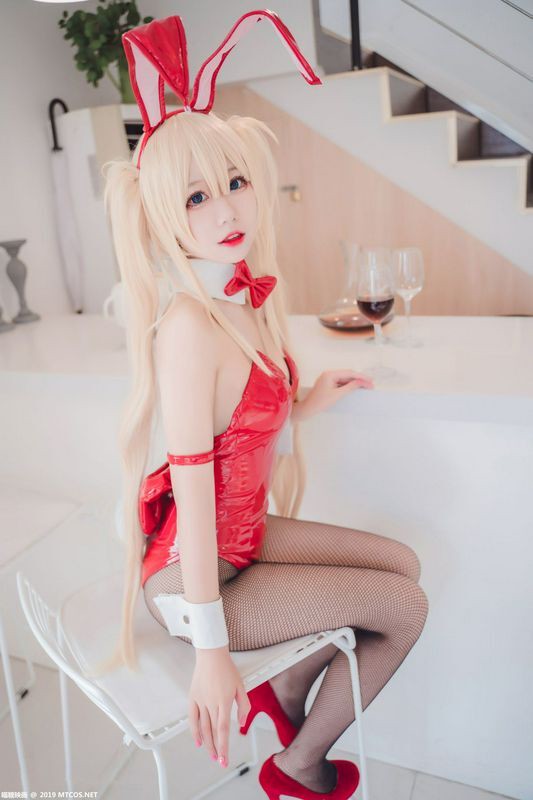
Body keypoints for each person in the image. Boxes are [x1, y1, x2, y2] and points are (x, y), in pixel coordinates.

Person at [97, 10, 429, 799]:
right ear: (162, 218)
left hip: (240, 538)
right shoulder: (187, 324)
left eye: (235, 183)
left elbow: (234, 428)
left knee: (403, 567)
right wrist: (211, 650)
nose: (226, 213)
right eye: (197, 198)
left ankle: (283, 692)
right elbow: (191, 486)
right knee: (403, 606)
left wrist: (304, 403)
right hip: (192, 576)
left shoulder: (238, 303)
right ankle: (296, 764)